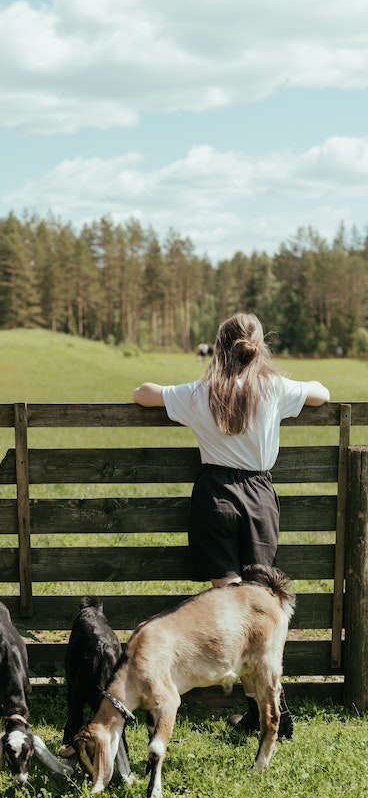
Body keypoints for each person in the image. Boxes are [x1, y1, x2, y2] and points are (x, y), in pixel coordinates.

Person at [132, 312, 330, 736]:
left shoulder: (203, 392)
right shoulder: (274, 388)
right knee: (259, 607)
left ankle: (256, 706)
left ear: (220, 347)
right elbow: (322, 393)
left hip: (216, 497)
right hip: (259, 499)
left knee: (228, 607)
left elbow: (143, 393)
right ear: (259, 348)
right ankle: (272, 704)